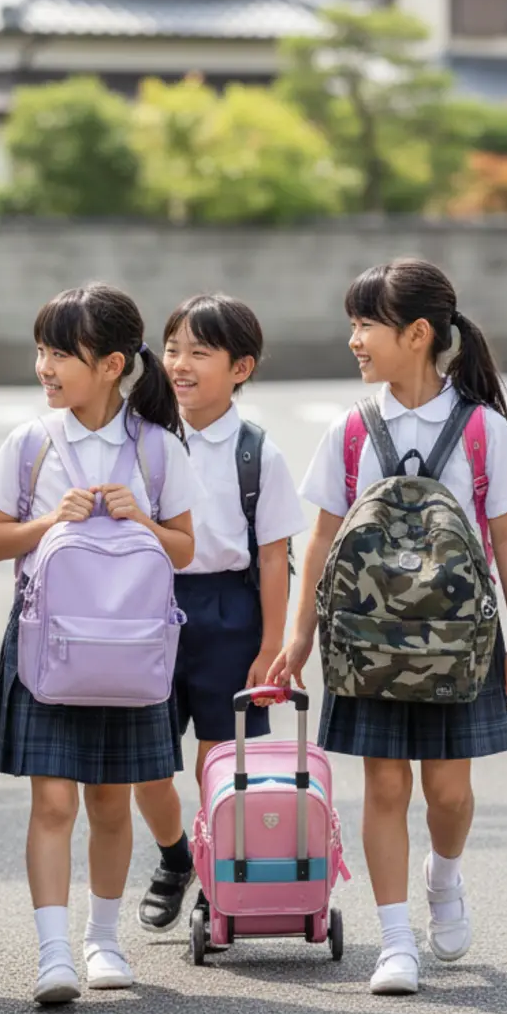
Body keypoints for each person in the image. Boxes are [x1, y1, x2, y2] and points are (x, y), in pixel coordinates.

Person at [270, 258, 507, 996]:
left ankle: (443, 876)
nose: (354, 339)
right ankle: (396, 942)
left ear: (418, 334)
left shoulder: (481, 428)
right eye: (353, 324)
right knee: (384, 788)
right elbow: (322, 538)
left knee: (448, 793)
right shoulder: (351, 430)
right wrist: (299, 635)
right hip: (365, 638)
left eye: (367, 325)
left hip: (462, 641)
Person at [0, 283, 199, 1005]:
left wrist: (143, 521)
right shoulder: (30, 442)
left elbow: (185, 550)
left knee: (110, 803)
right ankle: (54, 953)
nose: (44, 367)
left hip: (130, 650)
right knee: (52, 804)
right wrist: (50, 523)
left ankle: (103, 940)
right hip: (50, 646)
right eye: (40, 351)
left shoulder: (158, 447)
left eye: (60, 355)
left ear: (111, 365)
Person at [132, 295, 306, 934]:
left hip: (228, 614)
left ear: (241, 368)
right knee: (145, 763)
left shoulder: (257, 452)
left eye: (199, 353)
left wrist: (270, 645)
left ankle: (215, 877)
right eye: (172, 349)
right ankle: (177, 856)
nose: (180, 364)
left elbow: (273, 557)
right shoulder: (142, 438)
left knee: (220, 766)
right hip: (148, 607)